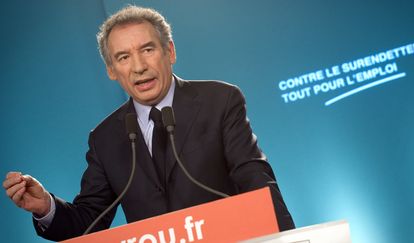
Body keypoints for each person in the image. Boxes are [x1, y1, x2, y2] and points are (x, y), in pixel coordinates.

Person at [3, 5, 295, 241]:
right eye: (123, 57)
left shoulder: (220, 101)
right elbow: (88, 220)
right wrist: (46, 208)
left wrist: (287, 239)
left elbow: (256, 180)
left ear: (170, 51)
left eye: (147, 49)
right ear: (111, 70)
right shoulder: (105, 138)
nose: (139, 66)